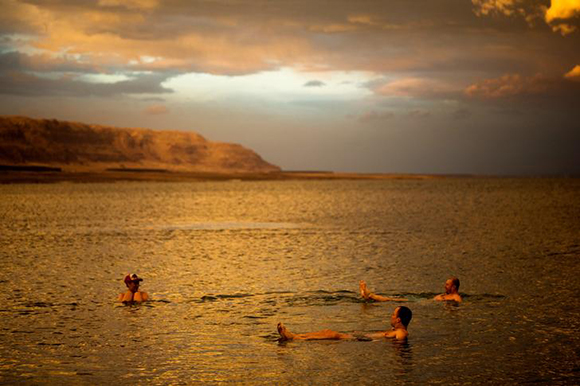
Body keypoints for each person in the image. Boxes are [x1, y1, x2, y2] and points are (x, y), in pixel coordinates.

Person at [277, 306, 412, 342]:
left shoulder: (401, 332)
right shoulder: (395, 330)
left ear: (399, 320)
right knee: (327, 331)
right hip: (361, 337)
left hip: (362, 340)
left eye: (393, 314)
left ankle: (293, 337)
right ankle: (295, 336)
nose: (391, 316)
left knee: (331, 334)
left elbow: (400, 340)